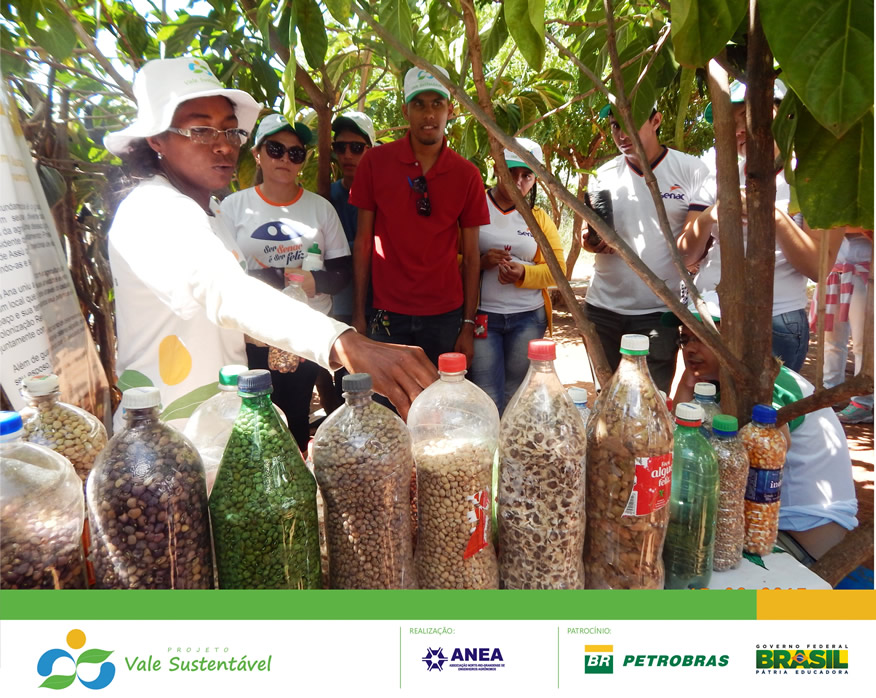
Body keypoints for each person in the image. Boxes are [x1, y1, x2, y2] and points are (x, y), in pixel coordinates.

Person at [104, 57, 436, 431]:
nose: (223, 146)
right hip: (167, 436)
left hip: (217, 424)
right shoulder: (154, 209)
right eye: (201, 130)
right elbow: (223, 290)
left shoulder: (211, 210)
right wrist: (344, 342)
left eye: (230, 132)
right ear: (156, 139)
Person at [665, 291, 858, 561]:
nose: (690, 349)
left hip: (805, 532)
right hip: (779, 524)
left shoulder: (767, 385)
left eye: (705, 338)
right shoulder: (726, 382)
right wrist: (688, 381)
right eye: (685, 339)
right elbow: (682, 435)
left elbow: (762, 461)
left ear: (739, 342)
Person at [680, 79, 835, 372]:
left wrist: (771, 216)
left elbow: (819, 266)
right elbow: (685, 255)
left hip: (774, 320)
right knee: (704, 410)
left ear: (785, 117)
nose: (739, 128)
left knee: (762, 416)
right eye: (733, 119)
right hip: (708, 313)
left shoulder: (813, 178)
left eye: (748, 116)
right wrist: (712, 214)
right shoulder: (719, 175)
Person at [218, 114, 351, 449]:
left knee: (293, 418)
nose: (285, 159)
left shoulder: (320, 209)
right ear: (257, 154)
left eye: (295, 153)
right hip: (252, 336)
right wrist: (281, 277)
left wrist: (315, 282)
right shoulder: (233, 208)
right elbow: (220, 273)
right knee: (252, 424)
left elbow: (341, 272)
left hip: (302, 334)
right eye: (276, 149)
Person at [350, 66, 490, 368]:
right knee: (386, 407)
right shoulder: (375, 163)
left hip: (446, 315)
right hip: (386, 313)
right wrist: (358, 314)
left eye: (437, 103)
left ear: (450, 110)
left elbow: (472, 257)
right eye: (419, 104)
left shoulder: (467, 175)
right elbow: (363, 242)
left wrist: (468, 324)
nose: (429, 114)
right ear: (405, 111)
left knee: (440, 406)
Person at [582, 107, 713, 393]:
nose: (621, 134)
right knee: (606, 401)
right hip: (602, 309)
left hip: (657, 312)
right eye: (615, 125)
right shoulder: (603, 174)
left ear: (656, 120)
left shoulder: (691, 170)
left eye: (630, 123)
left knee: (649, 403)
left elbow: (692, 248)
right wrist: (593, 241)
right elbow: (587, 235)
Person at [469, 138, 565, 412]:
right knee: (486, 392)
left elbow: (558, 272)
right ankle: (491, 452)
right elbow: (452, 258)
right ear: (498, 169)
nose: (518, 181)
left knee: (517, 394)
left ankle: (511, 451)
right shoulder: (476, 205)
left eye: (526, 175)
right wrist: (482, 261)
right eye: (511, 172)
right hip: (483, 317)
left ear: (535, 180)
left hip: (528, 318)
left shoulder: (538, 218)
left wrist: (524, 272)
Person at [810, 229, 874, 423]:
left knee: (864, 342)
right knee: (831, 338)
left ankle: (863, 402)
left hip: (864, 272)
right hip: (834, 270)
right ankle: (831, 392)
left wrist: (848, 226)